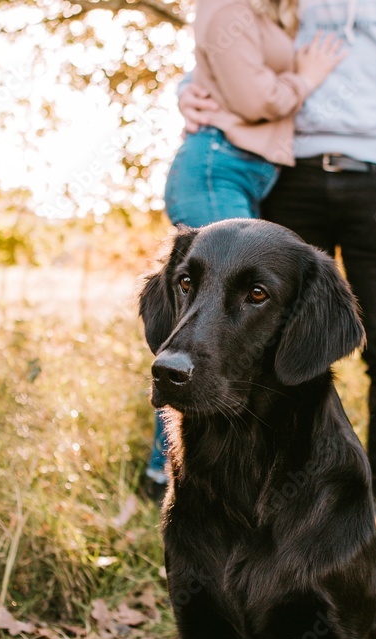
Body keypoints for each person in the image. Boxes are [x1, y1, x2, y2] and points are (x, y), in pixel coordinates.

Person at [178, 0, 376, 536]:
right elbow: (240, 36)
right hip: (290, 173)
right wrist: (185, 88)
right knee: (274, 345)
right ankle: (277, 489)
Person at [144, 0, 345, 502]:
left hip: (245, 168)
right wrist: (307, 77)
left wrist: (185, 87)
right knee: (201, 326)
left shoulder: (276, 11)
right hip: (218, 164)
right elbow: (256, 96)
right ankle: (165, 478)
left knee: (216, 324)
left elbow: (221, 66)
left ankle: (170, 476)